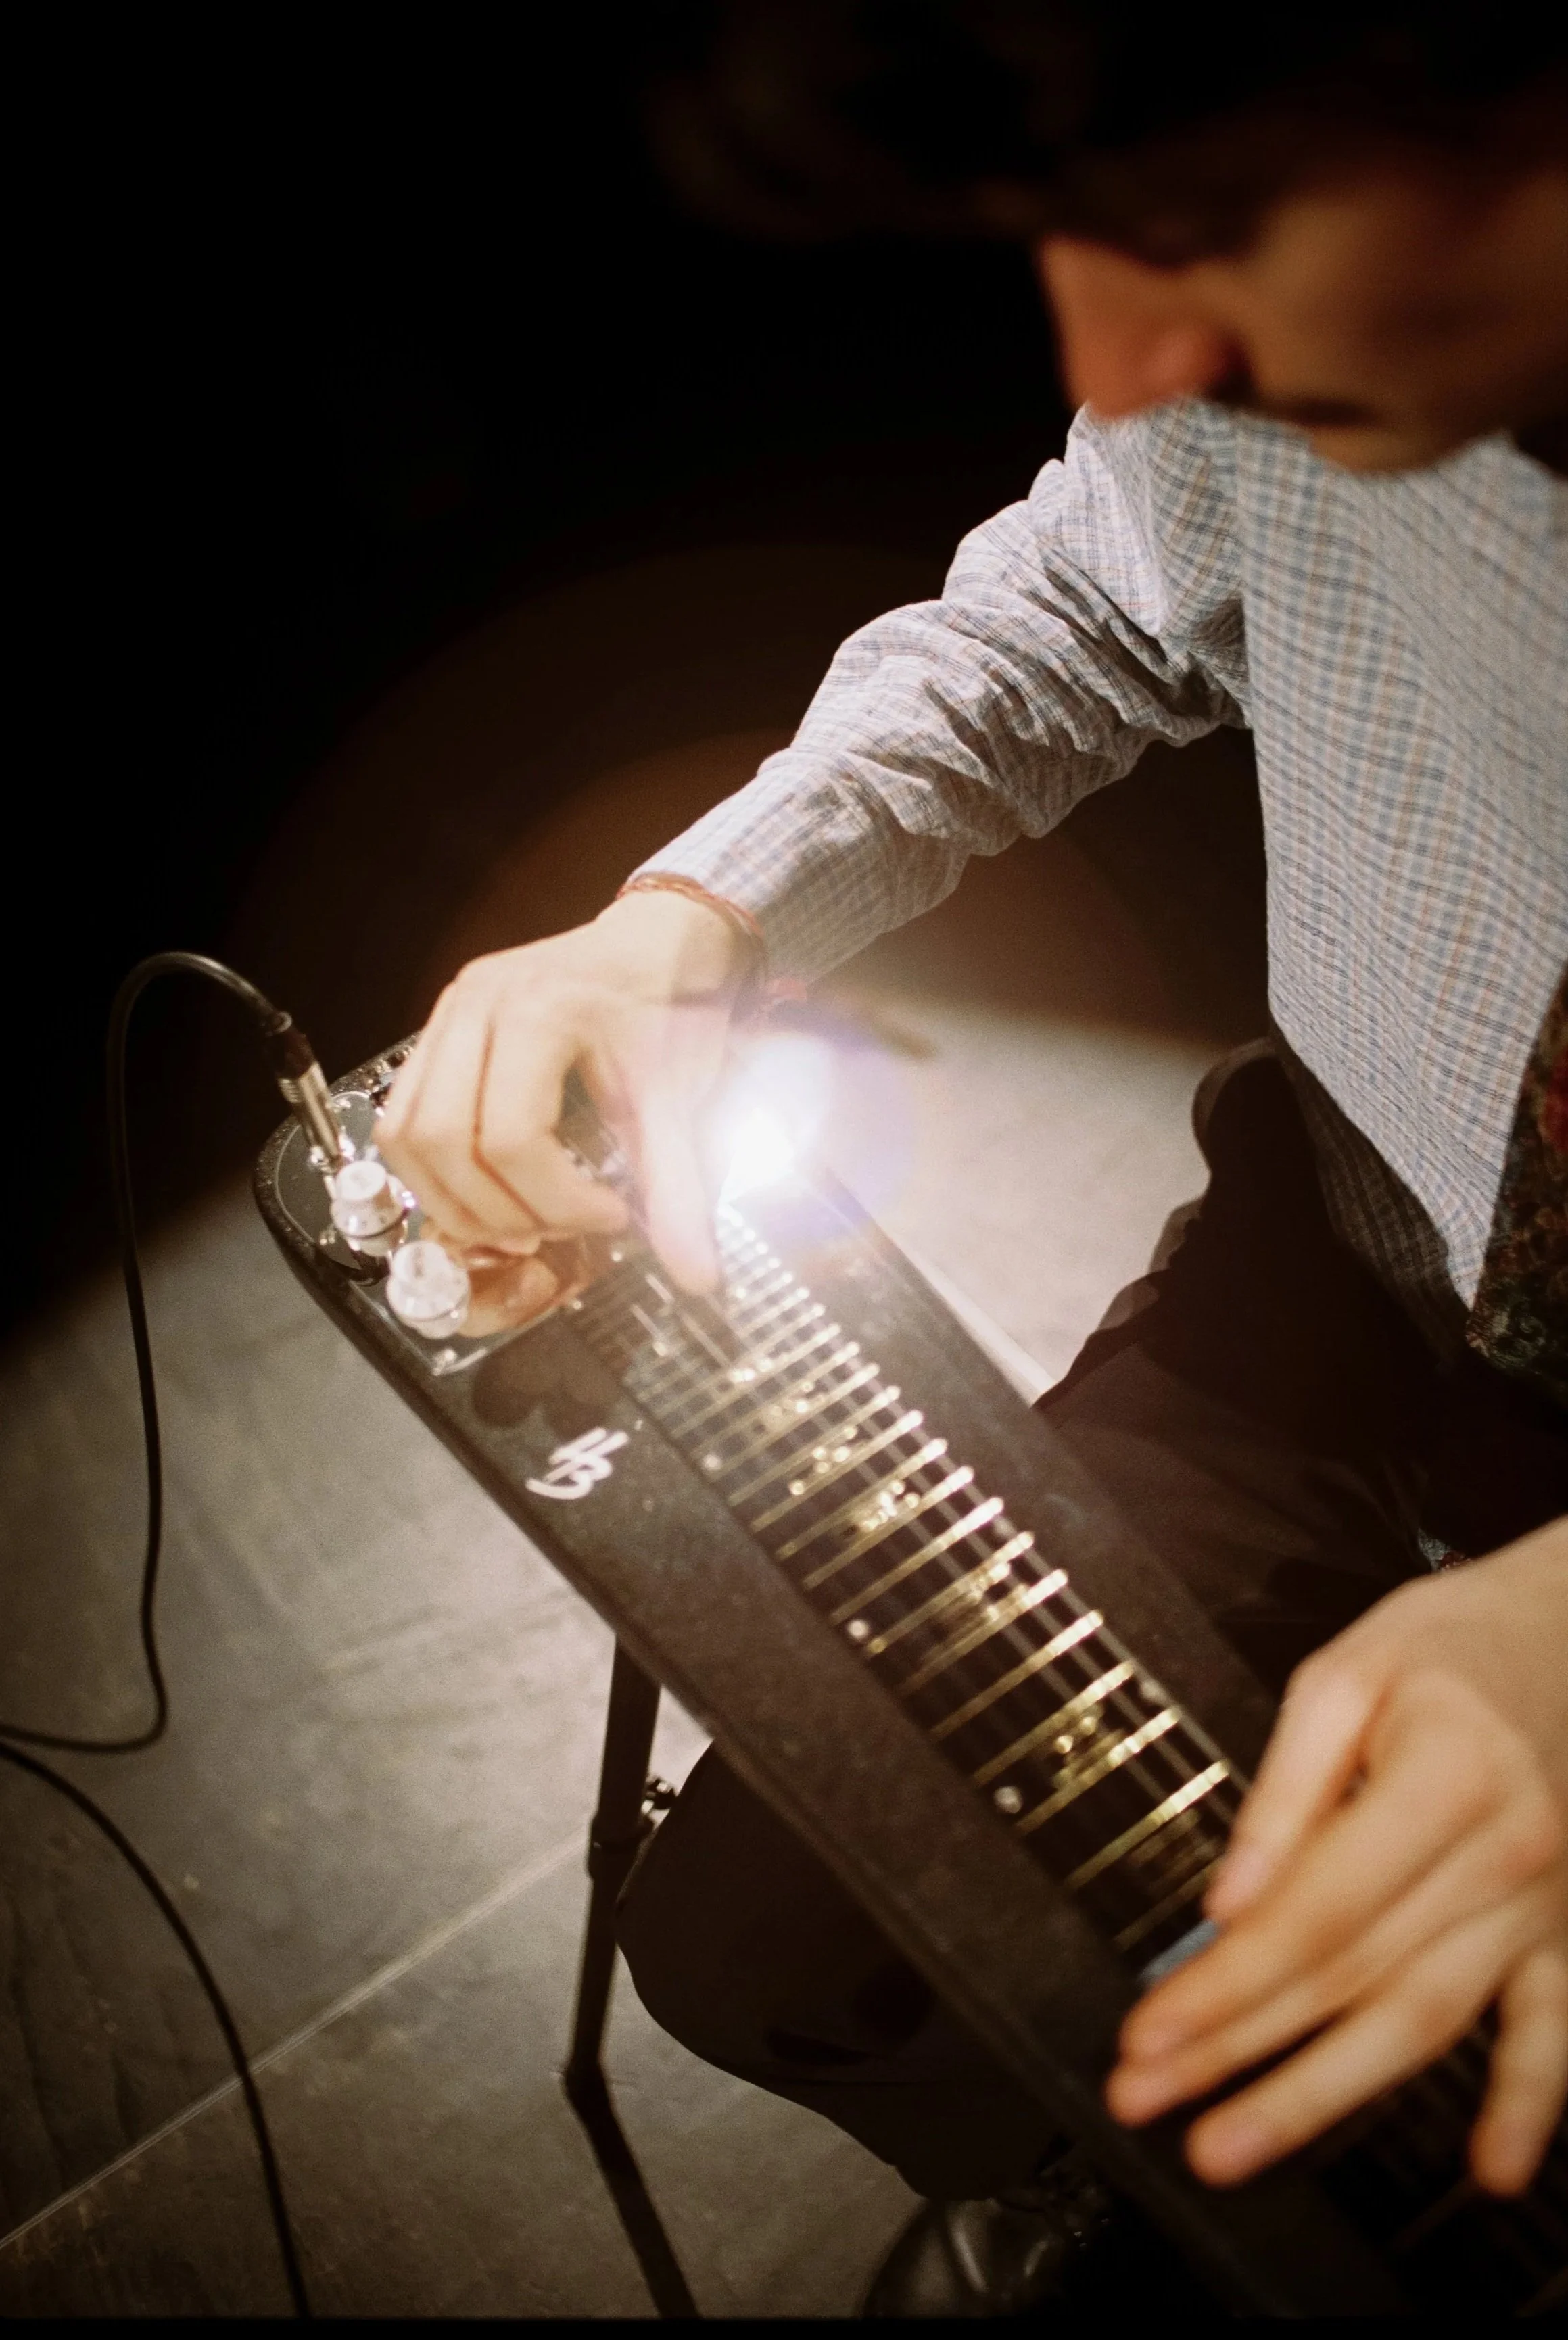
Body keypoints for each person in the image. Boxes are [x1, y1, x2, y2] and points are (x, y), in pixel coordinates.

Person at [379, 6, 1568, 2314]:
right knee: (761, 1949)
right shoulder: (1249, 354)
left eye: (1201, 230)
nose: (1123, 357)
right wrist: (691, 913)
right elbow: (1099, 589)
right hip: (1346, 1274)